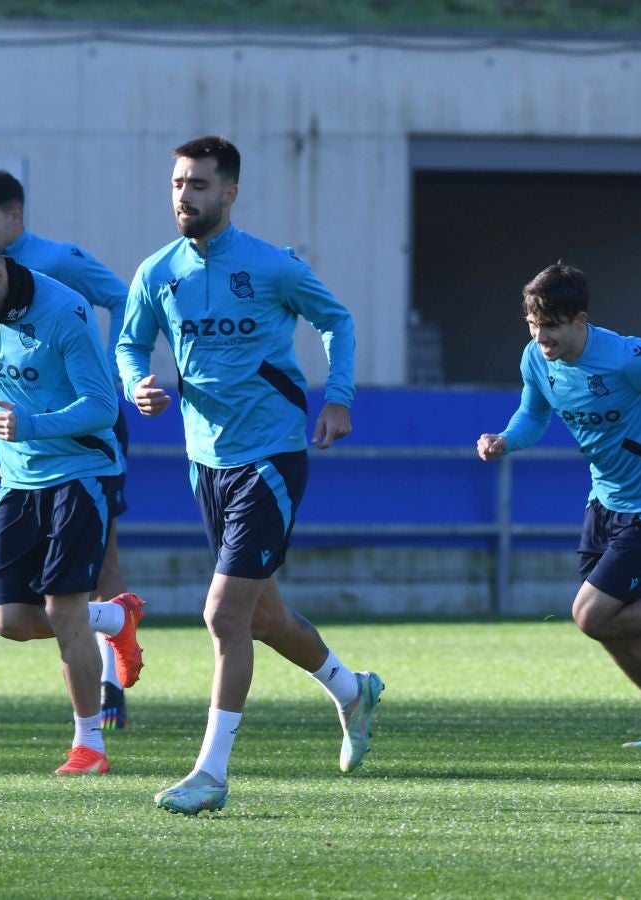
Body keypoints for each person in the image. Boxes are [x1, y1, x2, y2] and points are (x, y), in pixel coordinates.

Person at [116, 136, 382, 816]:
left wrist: (341, 398)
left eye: (200, 184)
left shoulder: (272, 267)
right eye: (179, 183)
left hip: (270, 459)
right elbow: (129, 341)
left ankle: (211, 774)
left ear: (229, 192)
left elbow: (337, 322)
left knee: (222, 613)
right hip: (205, 465)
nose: (186, 195)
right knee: (264, 617)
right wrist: (136, 383)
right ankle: (353, 690)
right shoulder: (158, 272)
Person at [476, 262, 641, 749]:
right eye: (533, 324)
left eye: (550, 325)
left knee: (591, 615)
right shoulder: (536, 358)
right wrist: (506, 440)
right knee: (609, 624)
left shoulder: (626, 359)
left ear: (580, 320)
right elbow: (533, 414)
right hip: (604, 504)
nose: (540, 336)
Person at [0, 228, 145, 776]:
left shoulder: (64, 311)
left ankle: (90, 746)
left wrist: (31, 426)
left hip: (81, 470)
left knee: (61, 607)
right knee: (10, 620)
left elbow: (102, 406)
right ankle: (111, 618)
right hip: (21, 478)